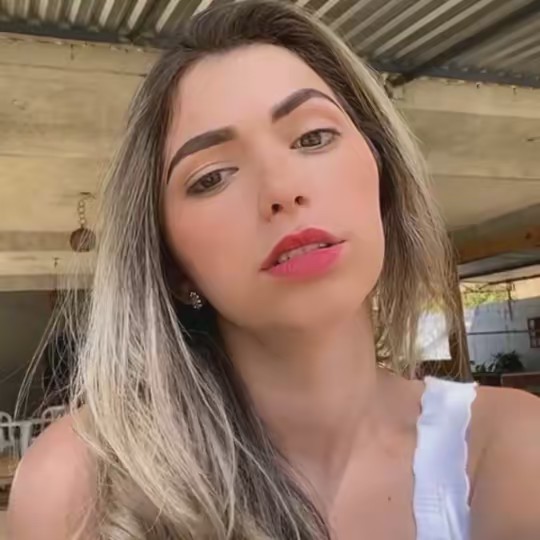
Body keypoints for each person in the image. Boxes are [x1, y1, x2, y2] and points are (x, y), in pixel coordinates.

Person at [7, 1, 540, 539]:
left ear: (383, 177)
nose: (282, 190)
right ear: (171, 264)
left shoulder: (507, 446)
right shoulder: (80, 489)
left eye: (313, 138)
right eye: (212, 177)